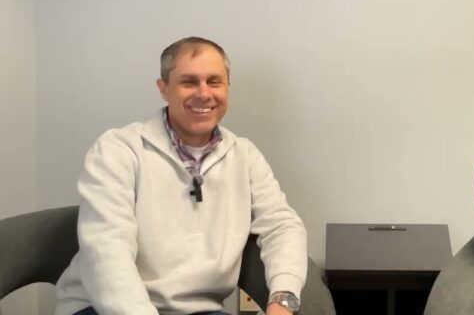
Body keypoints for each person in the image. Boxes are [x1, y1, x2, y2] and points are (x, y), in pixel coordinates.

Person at [55, 37, 306, 315]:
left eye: (214, 81)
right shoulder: (118, 150)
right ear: (163, 89)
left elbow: (283, 226)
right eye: (189, 82)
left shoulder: (244, 155)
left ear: (227, 88)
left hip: (202, 311)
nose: (203, 93)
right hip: (105, 308)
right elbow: (107, 254)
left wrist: (283, 300)